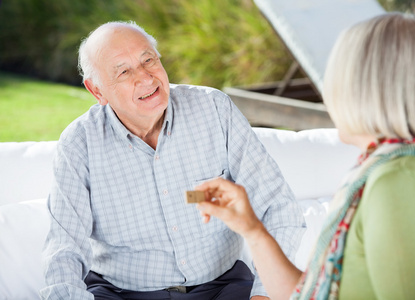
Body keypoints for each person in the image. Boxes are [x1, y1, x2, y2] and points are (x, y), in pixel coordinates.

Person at [40, 21, 305, 300]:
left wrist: (264, 294)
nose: (145, 78)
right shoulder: (78, 144)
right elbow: (64, 250)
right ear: (97, 92)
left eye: (148, 60)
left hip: (224, 287)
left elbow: (279, 207)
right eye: (124, 72)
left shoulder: (214, 110)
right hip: (122, 292)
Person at [196, 12, 415, 300]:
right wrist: (252, 228)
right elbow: (307, 293)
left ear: (360, 88)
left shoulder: (399, 182)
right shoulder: (399, 163)